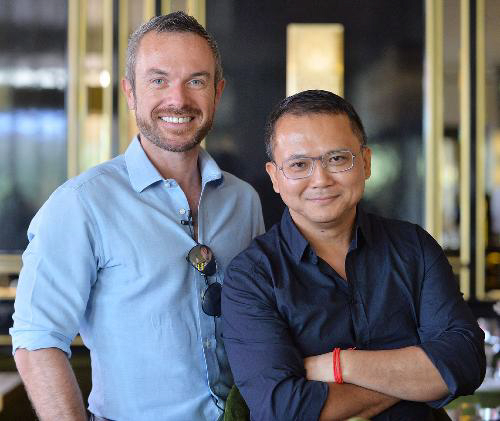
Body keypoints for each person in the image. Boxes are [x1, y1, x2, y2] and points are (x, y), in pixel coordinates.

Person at [11, 12, 264, 421]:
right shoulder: (81, 204)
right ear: (130, 92)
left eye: (196, 81)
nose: (178, 99)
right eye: (158, 80)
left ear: (217, 93)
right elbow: (36, 339)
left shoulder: (244, 201)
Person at [221, 90, 485, 420]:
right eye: (299, 165)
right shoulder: (252, 277)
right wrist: (414, 381)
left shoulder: (413, 247)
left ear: (366, 162)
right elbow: (283, 409)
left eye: (337, 159)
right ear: (275, 177)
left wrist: (337, 364)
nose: (321, 180)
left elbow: (465, 362)